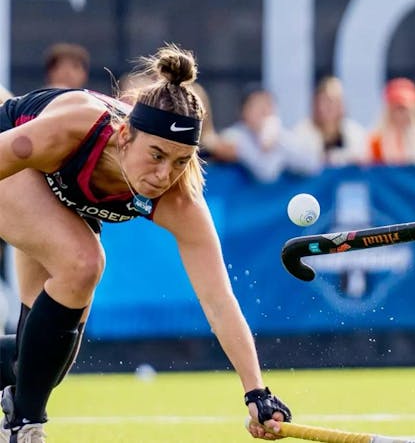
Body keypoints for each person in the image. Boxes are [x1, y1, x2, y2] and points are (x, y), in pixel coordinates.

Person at [0, 44, 290, 441]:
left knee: (37, 365)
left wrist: (256, 391)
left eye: (180, 160)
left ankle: (24, 406)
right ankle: (24, 426)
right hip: (14, 159)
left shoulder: (180, 200)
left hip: (56, 191)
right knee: (84, 261)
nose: (163, 174)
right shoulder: (71, 129)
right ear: (123, 136)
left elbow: (219, 300)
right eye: (155, 154)